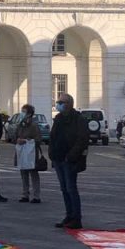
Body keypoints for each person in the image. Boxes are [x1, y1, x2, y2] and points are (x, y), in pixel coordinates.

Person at [49, 93, 87, 228]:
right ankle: (69, 215)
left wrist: (71, 156)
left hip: (70, 159)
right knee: (64, 188)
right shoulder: (58, 118)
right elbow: (53, 137)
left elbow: (82, 139)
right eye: (58, 102)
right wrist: (52, 154)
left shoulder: (78, 119)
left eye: (61, 102)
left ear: (69, 104)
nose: (58, 104)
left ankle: (76, 218)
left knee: (71, 188)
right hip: (58, 158)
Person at [12, 104, 43, 204]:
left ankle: (36, 196)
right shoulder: (20, 125)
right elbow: (14, 137)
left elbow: (38, 139)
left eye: (24, 111)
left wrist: (27, 140)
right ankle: (25, 194)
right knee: (23, 173)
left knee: (33, 173)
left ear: (29, 114)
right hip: (21, 152)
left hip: (31, 153)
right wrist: (17, 140)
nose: (22, 113)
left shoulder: (34, 126)